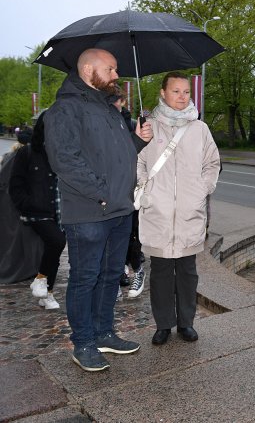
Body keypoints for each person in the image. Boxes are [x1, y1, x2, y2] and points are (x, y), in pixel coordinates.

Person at [45, 48, 153, 372]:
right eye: (111, 68)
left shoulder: (108, 109)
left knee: (110, 276)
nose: (116, 75)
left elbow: (117, 157)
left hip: (119, 211)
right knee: (85, 279)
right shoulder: (65, 109)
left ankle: (105, 333)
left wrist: (137, 140)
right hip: (91, 212)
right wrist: (102, 194)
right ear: (89, 68)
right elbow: (64, 160)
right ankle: (84, 343)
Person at [137, 72, 219, 346]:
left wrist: (200, 191)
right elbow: (136, 162)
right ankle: (163, 325)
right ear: (163, 93)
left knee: (187, 272)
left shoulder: (200, 129)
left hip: (188, 215)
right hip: (157, 215)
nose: (182, 97)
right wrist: (145, 188)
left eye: (186, 92)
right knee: (160, 273)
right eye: (176, 91)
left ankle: (186, 322)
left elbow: (212, 164)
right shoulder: (147, 127)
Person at [9, 111, 67, 309]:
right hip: (37, 211)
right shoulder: (27, 153)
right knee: (57, 241)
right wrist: (29, 203)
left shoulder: (63, 152)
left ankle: (47, 294)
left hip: (60, 209)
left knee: (54, 250)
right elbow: (15, 186)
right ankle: (40, 279)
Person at [0, 128, 44, 284]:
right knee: (25, 237)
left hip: (8, 204)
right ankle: (28, 268)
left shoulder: (9, 157)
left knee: (12, 239)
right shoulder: (24, 157)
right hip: (19, 203)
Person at [113, 93, 146, 299]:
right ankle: (117, 275)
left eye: (117, 99)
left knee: (132, 233)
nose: (114, 103)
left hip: (132, 188)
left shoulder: (133, 124)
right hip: (112, 188)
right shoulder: (102, 122)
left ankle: (136, 270)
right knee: (114, 236)